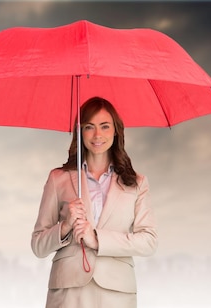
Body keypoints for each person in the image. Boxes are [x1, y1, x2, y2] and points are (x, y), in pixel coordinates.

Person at [31, 96, 158, 308]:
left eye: (105, 126)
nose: (97, 135)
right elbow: (38, 245)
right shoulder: (58, 178)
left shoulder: (137, 183)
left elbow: (149, 241)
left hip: (116, 292)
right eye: (89, 127)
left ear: (116, 131)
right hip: (68, 292)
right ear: (80, 131)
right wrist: (66, 226)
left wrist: (97, 239)